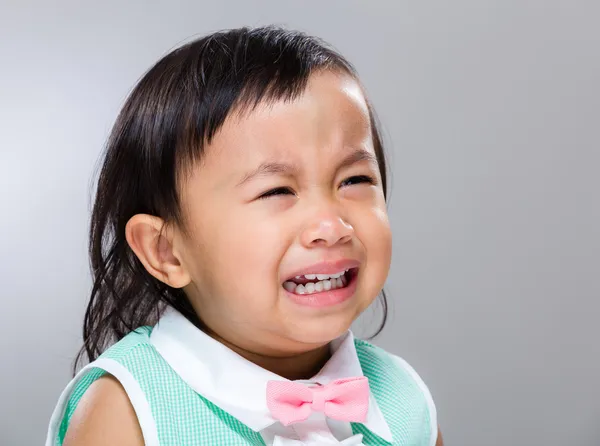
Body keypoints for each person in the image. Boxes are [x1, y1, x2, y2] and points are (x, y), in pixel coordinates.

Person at [46, 26, 443, 446]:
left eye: (354, 179)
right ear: (167, 251)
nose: (331, 227)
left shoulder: (405, 400)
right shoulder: (130, 410)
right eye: (276, 190)